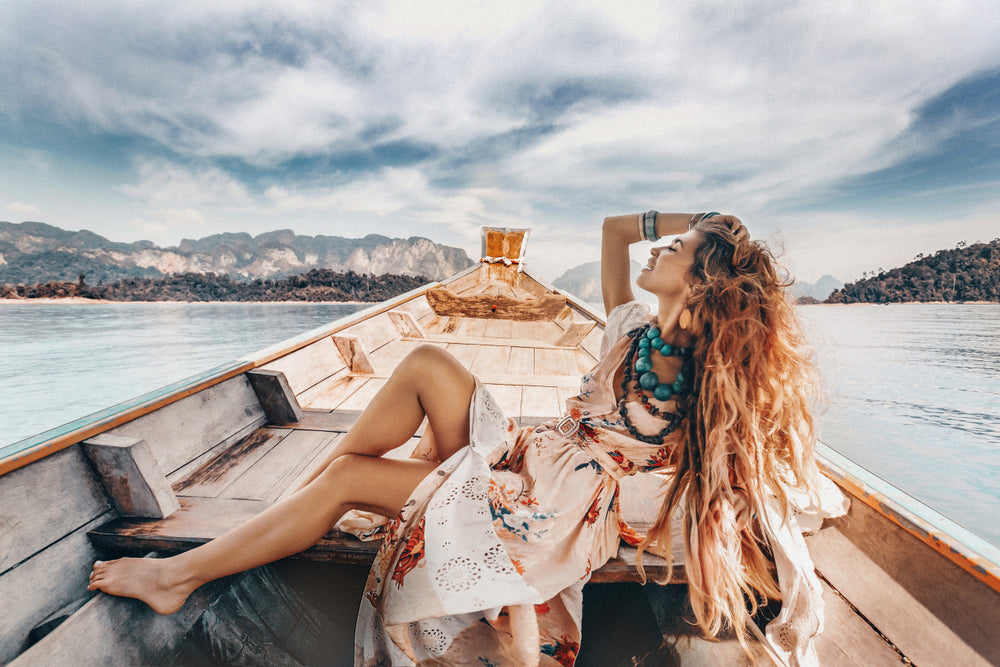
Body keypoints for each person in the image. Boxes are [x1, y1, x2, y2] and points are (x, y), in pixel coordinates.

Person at [89, 211, 845, 666]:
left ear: (703, 281)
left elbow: (733, 472)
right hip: (534, 451)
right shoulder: (628, 331)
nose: (657, 251)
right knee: (423, 362)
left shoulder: (718, 374)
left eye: (677, 249)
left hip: (553, 506)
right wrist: (708, 217)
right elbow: (618, 231)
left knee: (351, 475)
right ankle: (304, 514)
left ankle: (178, 575)